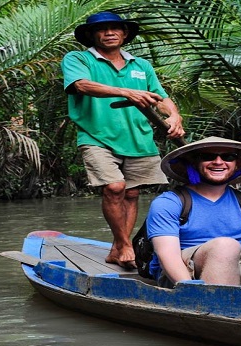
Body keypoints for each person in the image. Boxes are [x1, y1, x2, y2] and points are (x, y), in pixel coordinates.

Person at [61, 11, 185, 269]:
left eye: (114, 28)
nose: (109, 33)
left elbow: (161, 98)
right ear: (92, 35)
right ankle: (125, 245)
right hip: (96, 136)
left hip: (139, 138)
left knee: (132, 193)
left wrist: (174, 117)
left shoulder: (141, 66)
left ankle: (117, 249)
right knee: (114, 187)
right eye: (102, 29)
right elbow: (81, 85)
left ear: (124, 34)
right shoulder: (79, 58)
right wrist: (125, 91)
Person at [146, 137, 241, 288]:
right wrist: (189, 289)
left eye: (228, 157)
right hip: (185, 270)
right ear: (194, 163)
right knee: (225, 246)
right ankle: (218, 302)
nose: (218, 162)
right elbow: (167, 255)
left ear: (236, 164)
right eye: (208, 156)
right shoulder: (169, 203)